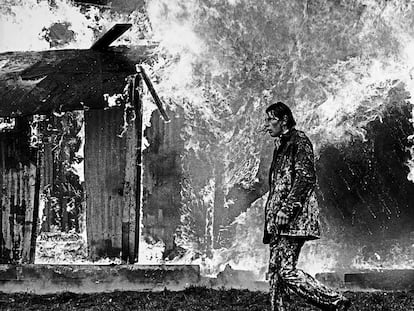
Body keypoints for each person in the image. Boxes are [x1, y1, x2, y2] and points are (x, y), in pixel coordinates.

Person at [263, 102, 351, 311]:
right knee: (275, 272)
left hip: (293, 219)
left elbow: (305, 177)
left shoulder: (299, 141)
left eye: (270, 119)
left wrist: (287, 209)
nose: (266, 125)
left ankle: (334, 301)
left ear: (284, 120)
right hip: (279, 220)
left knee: (286, 270)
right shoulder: (282, 145)